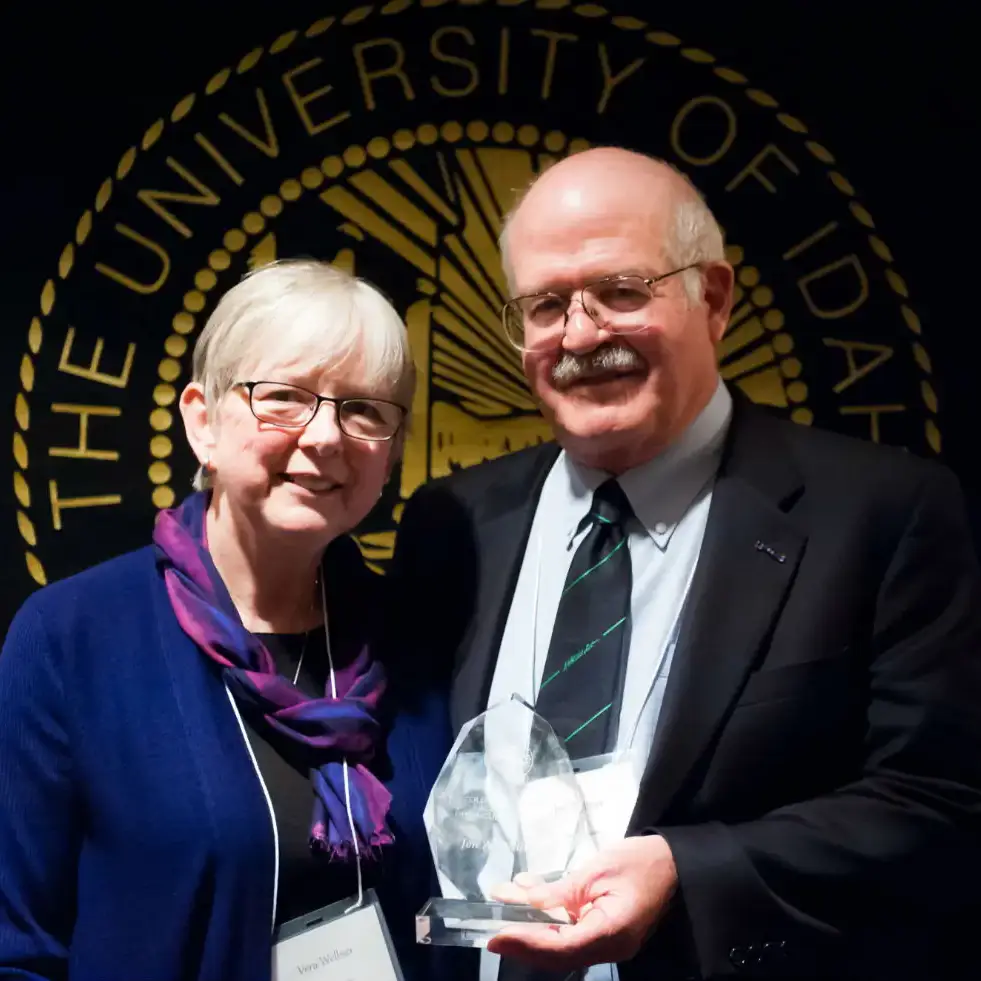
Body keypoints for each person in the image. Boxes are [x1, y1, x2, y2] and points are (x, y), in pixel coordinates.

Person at [387, 147, 981, 981]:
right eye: (546, 304)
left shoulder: (883, 512)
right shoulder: (451, 524)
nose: (581, 334)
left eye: (621, 291)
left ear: (714, 297)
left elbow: (938, 803)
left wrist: (686, 874)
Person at [0, 259, 452, 981]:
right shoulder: (71, 637)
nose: (326, 435)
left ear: (393, 450)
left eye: (363, 409)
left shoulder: (412, 641)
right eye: (282, 397)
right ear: (202, 421)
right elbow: (16, 947)